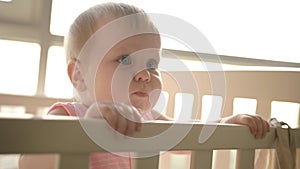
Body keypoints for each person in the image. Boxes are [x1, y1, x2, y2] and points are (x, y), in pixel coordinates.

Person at [19, 2, 270, 169]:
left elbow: (189, 138)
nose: (144, 74)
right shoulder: (68, 115)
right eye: (124, 59)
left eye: (152, 63)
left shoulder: (149, 118)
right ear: (79, 76)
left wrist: (224, 124)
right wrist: (93, 120)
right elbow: (29, 160)